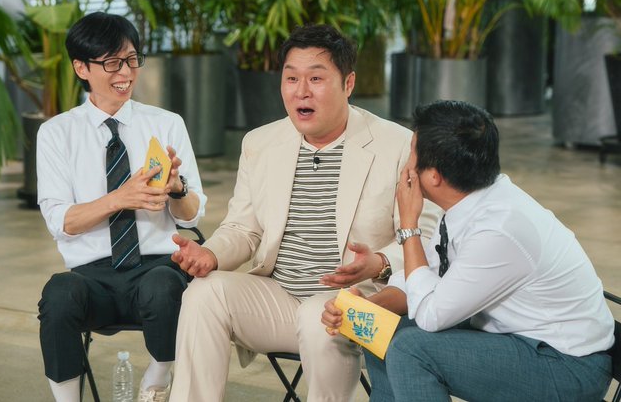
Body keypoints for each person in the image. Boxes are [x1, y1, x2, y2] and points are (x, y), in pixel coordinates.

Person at [168, 24, 439, 402]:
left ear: (348, 83)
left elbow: (427, 236)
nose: (301, 91)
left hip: (359, 303)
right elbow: (243, 228)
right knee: (203, 293)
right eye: (291, 78)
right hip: (278, 298)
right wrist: (210, 254)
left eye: (316, 78)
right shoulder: (260, 143)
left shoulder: (397, 145)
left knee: (318, 314)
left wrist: (378, 263)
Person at [323, 100, 615, 401]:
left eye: (412, 152)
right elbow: (426, 277)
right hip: (517, 338)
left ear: (434, 176)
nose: (406, 163)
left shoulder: (498, 230)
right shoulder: (469, 201)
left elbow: (430, 314)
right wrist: (369, 307)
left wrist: (409, 226)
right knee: (379, 328)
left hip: (565, 365)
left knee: (412, 349)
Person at [36, 12, 206, 402]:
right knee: (59, 294)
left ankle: (155, 382)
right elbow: (61, 221)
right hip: (91, 277)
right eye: (112, 63)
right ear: (82, 68)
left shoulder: (166, 123)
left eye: (131, 59)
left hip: (156, 269)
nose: (125, 73)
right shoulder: (56, 133)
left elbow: (193, 214)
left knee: (165, 285)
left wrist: (177, 190)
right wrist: (120, 198)